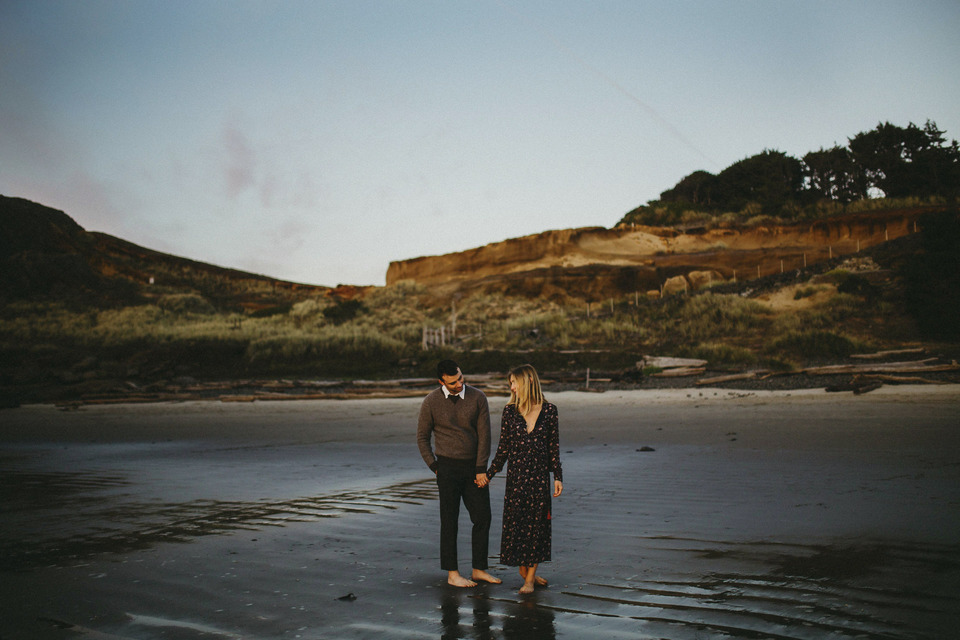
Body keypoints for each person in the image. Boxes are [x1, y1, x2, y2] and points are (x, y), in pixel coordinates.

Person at [417, 359, 502, 587]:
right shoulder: (431, 401)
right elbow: (422, 437)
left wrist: (481, 468)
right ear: (441, 381)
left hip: (473, 468)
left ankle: (478, 569)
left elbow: (485, 436)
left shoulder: (478, 398)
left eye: (461, 378)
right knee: (449, 522)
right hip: (446, 468)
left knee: (483, 517)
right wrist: (434, 466)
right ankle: (453, 574)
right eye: (453, 382)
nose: (459, 384)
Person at [483, 364, 563, 594]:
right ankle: (525, 572)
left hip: (538, 481)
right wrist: (489, 474)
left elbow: (553, 448)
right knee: (517, 529)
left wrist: (557, 476)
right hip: (516, 482)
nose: (512, 387)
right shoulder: (509, 412)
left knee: (536, 529)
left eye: (514, 382)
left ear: (528, 380)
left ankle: (529, 579)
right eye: (510, 384)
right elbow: (503, 449)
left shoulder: (550, 411)